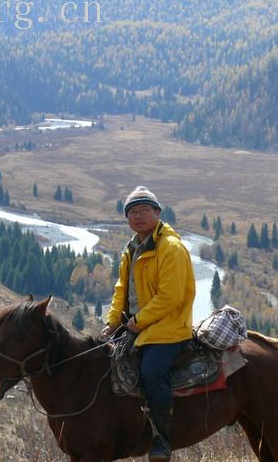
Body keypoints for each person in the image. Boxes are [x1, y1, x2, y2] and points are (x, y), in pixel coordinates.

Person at [101, 186, 195, 462]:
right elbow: (122, 291)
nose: (138, 217)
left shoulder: (170, 248)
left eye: (144, 211)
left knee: (152, 371)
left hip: (168, 328)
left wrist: (136, 323)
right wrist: (111, 323)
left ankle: (161, 439)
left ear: (157, 213)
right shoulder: (131, 249)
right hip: (137, 324)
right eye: (132, 212)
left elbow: (171, 296)